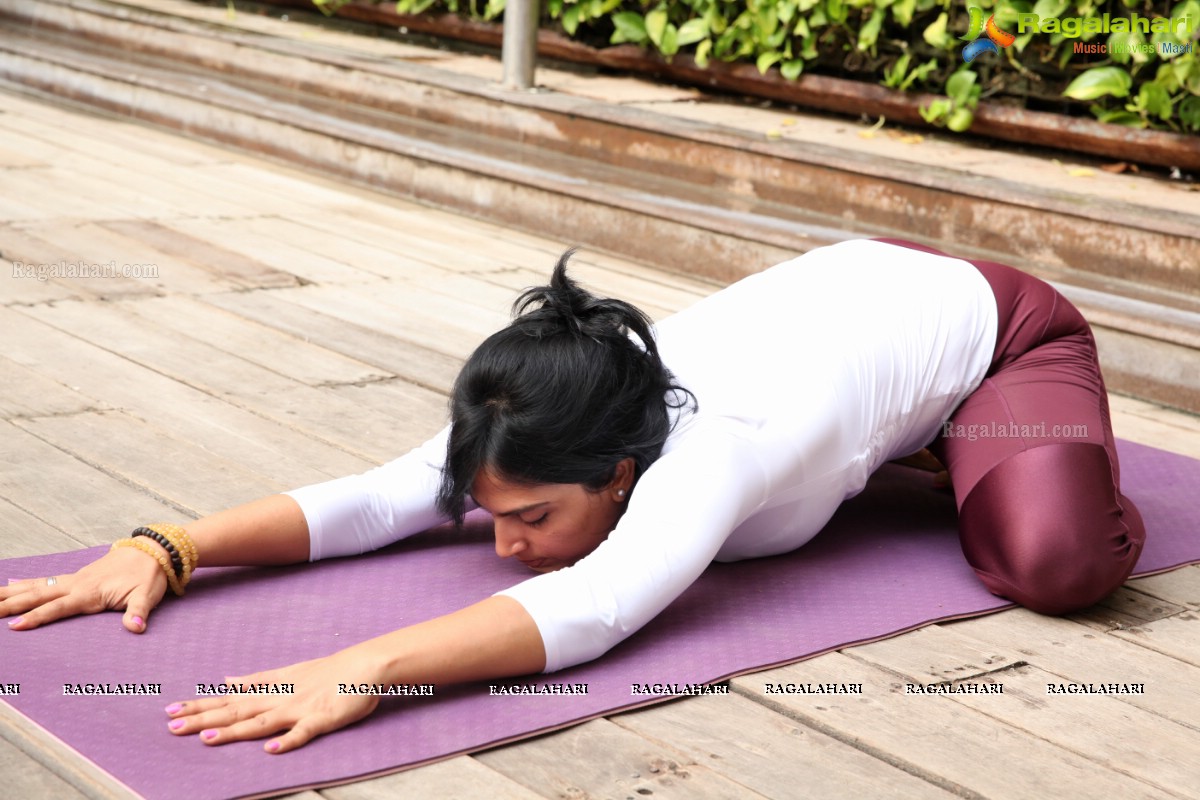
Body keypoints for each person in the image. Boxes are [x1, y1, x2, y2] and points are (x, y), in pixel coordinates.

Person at [0, 239, 1144, 753]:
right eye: (493, 513)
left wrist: (360, 668)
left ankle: (992, 440)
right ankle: (915, 443)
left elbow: (597, 610)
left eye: (531, 518)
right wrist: (168, 544)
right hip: (853, 297)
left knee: (1054, 563)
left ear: (622, 472)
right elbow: (376, 498)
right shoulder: (555, 411)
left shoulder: (713, 447)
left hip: (997, 329)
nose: (500, 544)